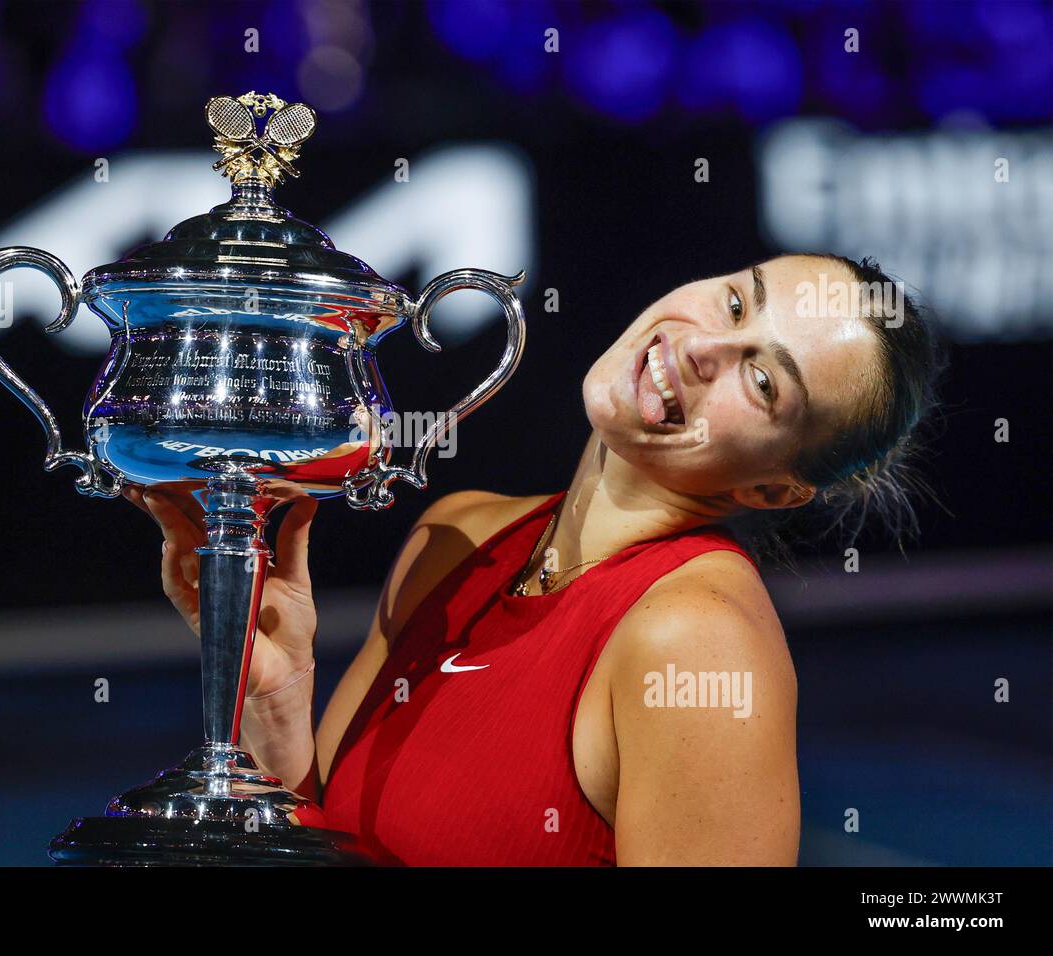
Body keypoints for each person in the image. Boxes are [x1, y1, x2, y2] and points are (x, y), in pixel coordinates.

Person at [124, 253, 945, 866]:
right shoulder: (457, 536)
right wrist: (277, 697)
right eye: (737, 300)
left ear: (775, 490)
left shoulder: (693, 638)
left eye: (765, 381)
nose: (706, 347)